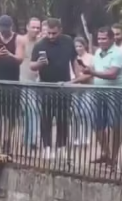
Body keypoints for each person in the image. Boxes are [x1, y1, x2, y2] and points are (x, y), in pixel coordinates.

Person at [30, 18, 79, 161]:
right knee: (46, 118)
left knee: (63, 118)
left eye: (54, 33)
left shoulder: (68, 41)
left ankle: (61, 147)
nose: (51, 36)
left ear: (60, 30)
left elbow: (74, 60)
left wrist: (77, 78)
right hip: (46, 87)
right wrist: (39, 64)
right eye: (49, 33)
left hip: (64, 86)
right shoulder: (40, 45)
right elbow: (32, 66)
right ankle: (47, 147)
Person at [80, 26, 122, 166]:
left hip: (115, 93)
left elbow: (112, 74)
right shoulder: (98, 52)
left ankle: (114, 156)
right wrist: (71, 81)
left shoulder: (118, 53)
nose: (100, 41)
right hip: (98, 92)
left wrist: (92, 72)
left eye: (104, 38)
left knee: (115, 125)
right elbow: (91, 72)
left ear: (112, 39)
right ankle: (107, 154)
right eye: (99, 38)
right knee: (97, 124)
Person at [0, 15, 26, 152]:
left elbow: (20, 59)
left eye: (6, 28)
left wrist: (9, 54)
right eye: (2, 28)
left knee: (11, 114)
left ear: (11, 27)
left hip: (12, 81)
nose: (4, 31)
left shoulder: (19, 39)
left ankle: (7, 140)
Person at [19, 17, 42, 152]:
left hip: (36, 80)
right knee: (29, 110)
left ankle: (31, 140)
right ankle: (29, 139)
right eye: (33, 27)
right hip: (21, 79)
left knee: (33, 110)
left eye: (37, 28)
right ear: (27, 27)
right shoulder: (20, 41)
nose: (35, 30)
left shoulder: (40, 43)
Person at [69, 37, 94, 146]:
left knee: (86, 112)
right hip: (76, 88)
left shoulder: (91, 58)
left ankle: (86, 136)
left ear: (85, 46)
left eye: (80, 46)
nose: (78, 48)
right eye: (76, 46)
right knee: (76, 113)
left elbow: (90, 73)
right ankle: (76, 136)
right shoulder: (74, 59)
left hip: (87, 87)